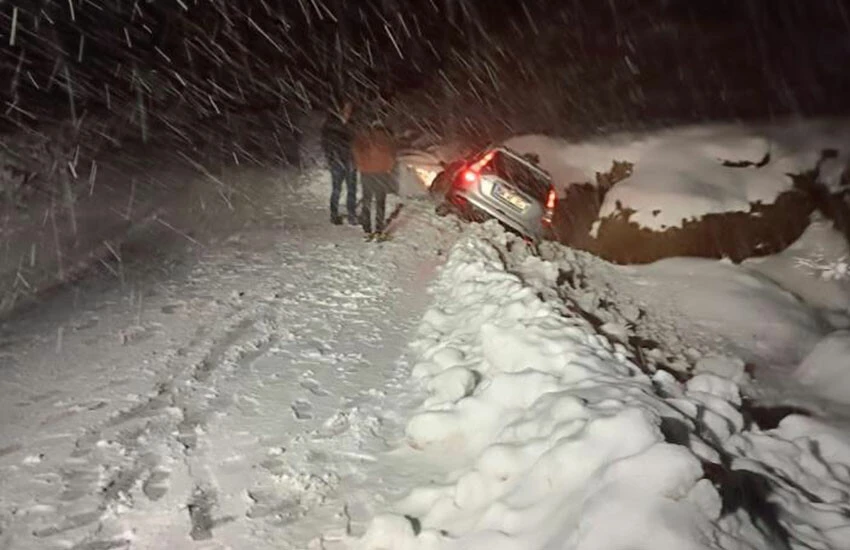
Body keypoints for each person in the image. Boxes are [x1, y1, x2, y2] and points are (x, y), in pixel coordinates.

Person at [352, 120, 396, 239]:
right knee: (380, 201)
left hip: (367, 172)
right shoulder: (388, 139)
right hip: (382, 173)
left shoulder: (366, 137)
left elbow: (356, 149)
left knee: (367, 198)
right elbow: (392, 155)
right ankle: (379, 227)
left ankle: (366, 226)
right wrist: (388, 167)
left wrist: (360, 164)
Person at [321, 100, 357, 225]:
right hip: (337, 162)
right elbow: (327, 145)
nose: (349, 112)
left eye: (350, 109)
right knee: (337, 189)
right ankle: (334, 214)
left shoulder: (352, 125)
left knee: (352, 189)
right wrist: (332, 159)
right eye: (346, 109)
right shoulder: (331, 125)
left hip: (351, 162)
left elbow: (357, 143)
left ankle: (352, 214)